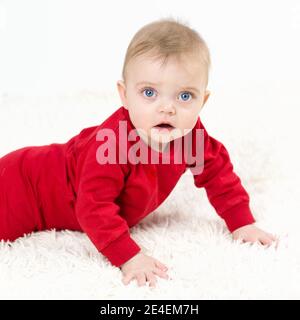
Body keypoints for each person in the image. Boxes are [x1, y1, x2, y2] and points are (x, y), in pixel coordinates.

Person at [0, 18, 277, 288]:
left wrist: (242, 223)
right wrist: (129, 256)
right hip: (28, 188)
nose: (166, 108)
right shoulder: (112, 144)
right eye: (149, 93)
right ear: (124, 95)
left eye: (184, 96)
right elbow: (93, 207)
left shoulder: (191, 137)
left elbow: (219, 175)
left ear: (203, 100)